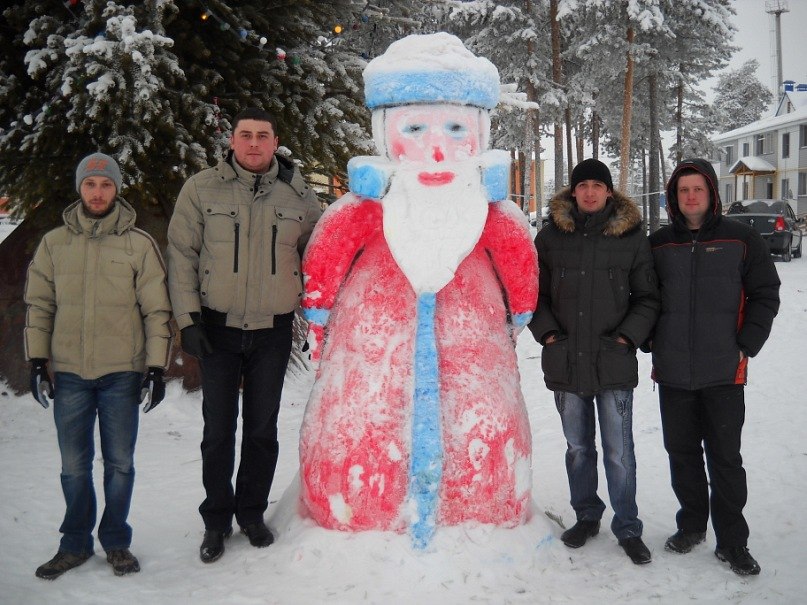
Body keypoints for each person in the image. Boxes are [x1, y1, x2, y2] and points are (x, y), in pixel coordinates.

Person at [298, 33, 538, 550]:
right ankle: (360, 499)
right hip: (372, 349)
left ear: (480, 132)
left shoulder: (488, 211)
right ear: (385, 132)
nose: (437, 147)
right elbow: (328, 252)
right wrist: (318, 308)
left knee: (480, 430)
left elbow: (517, 256)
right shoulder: (366, 208)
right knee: (364, 426)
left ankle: (480, 501)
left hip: (473, 348)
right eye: (414, 128)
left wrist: (521, 308)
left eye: (455, 128)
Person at [167, 107, 322, 563]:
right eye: (246, 135)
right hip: (217, 328)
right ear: (232, 140)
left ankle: (251, 513)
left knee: (261, 429)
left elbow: (319, 253)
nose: (254, 143)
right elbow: (182, 256)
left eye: (263, 135)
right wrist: (188, 321)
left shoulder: (299, 195)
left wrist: (320, 315)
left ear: (275, 142)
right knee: (218, 430)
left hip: (273, 330)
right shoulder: (201, 188)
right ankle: (216, 520)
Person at [24, 152, 172, 580]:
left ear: (116, 189)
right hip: (70, 373)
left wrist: (156, 368)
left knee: (120, 464)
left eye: (106, 184)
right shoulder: (54, 244)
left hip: (121, 373)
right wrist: (37, 361)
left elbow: (157, 311)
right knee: (73, 467)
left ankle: (116, 541)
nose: (97, 192)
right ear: (80, 188)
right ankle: (74, 544)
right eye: (90, 184)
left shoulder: (138, 244)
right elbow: (39, 305)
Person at [647, 158, 780, 576]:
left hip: (724, 370)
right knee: (682, 454)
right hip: (673, 371)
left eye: (698, 189)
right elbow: (642, 296)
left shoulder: (741, 239)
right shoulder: (658, 244)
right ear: (674, 196)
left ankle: (732, 541)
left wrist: (747, 345)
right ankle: (691, 526)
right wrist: (651, 340)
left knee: (725, 459)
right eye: (683, 190)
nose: (691, 197)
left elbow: (765, 293)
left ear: (711, 193)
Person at [528, 158, 659, 564]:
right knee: (578, 448)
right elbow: (534, 294)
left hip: (613, 361)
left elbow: (648, 298)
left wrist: (626, 337)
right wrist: (549, 335)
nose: (589, 192)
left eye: (596, 186)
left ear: (608, 192)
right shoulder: (550, 238)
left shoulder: (631, 238)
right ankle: (586, 516)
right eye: (582, 185)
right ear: (573, 191)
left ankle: (628, 526)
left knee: (619, 451)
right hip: (566, 360)